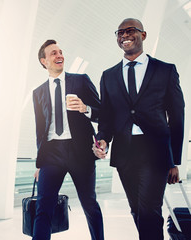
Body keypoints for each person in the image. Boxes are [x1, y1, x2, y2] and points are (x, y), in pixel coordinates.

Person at [93, 18, 185, 240]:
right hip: (125, 153)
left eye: (130, 30)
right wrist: (103, 139)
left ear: (143, 35)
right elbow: (107, 116)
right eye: (120, 32)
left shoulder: (165, 70)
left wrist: (174, 161)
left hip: (156, 152)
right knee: (137, 210)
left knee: (148, 212)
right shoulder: (109, 75)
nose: (124, 35)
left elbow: (177, 117)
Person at [32, 39, 104, 240]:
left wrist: (85, 108)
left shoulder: (81, 81)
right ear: (44, 61)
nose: (59, 55)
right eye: (53, 53)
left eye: (61, 52)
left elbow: (102, 114)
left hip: (80, 152)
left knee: (90, 204)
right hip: (51, 155)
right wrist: (39, 162)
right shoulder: (37, 93)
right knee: (43, 208)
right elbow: (40, 130)